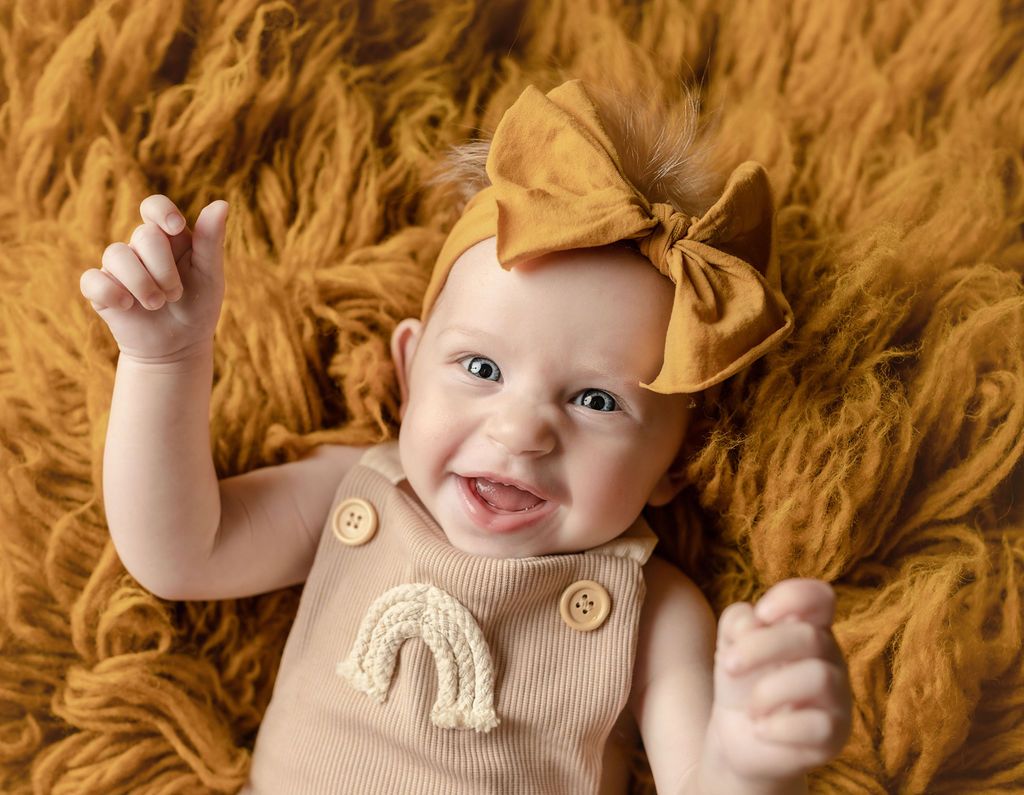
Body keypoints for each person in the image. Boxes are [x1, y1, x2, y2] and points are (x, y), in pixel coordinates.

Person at [80, 78, 852, 794]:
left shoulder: (655, 610)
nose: (520, 431)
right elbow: (180, 552)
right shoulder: (354, 490)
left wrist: (746, 756)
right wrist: (165, 359)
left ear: (673, 464)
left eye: (594, 400)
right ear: (411, 368)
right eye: (481, 366)